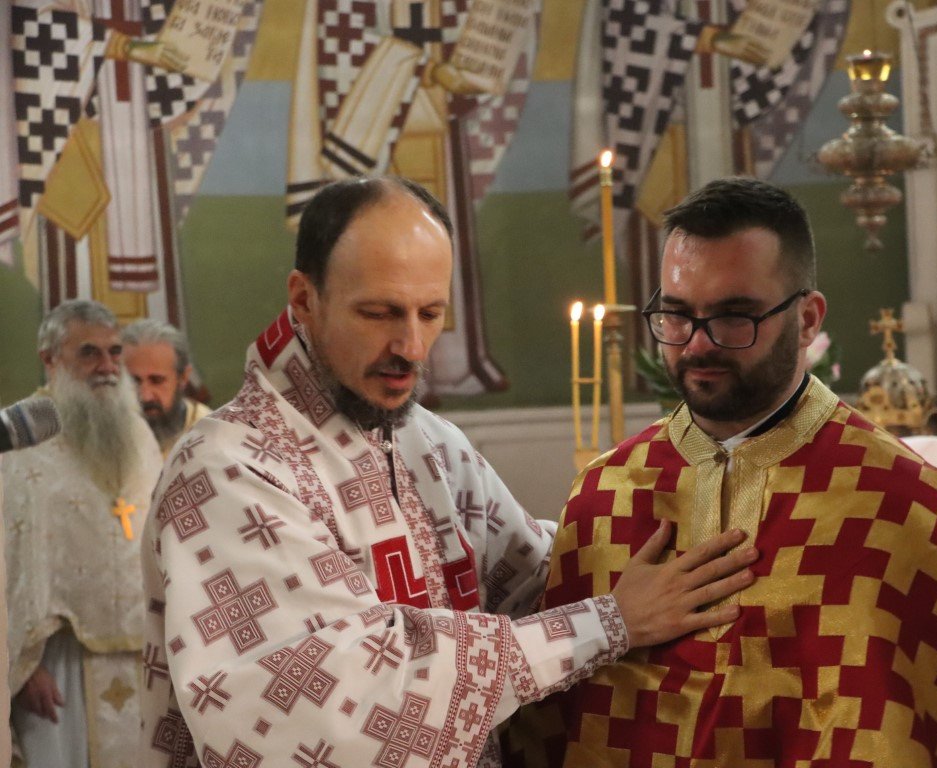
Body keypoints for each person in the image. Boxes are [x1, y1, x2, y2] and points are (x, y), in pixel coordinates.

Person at [138, 176, 757, 767]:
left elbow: (541, 580)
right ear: (304, 299)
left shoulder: (429, 442)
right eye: (379, 313)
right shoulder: (226, 471)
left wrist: (688, 523)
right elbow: (332, 710)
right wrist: (607, 624)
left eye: (430, 313)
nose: (411, 347)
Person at [504, 178, 937, 767]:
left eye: (733, 317)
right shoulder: (604, 497)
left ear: (807, 319)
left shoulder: (895, 498)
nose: (698, 345)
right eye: (676, 315)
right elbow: (547, 727)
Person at [4, 299, 163, 768]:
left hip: (143, 655)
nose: (108, 366)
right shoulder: (21, 438)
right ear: (50, 358)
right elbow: (10, 560)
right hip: (57, 659)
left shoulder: (138, 435)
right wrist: (21, 667)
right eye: (89, 353)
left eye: (115, 352)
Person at [122, 319, 211, 456]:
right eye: (133, 381)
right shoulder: (108, 432)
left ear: (183, 378)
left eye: (157, 381)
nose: (145, 396)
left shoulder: (209, 434)